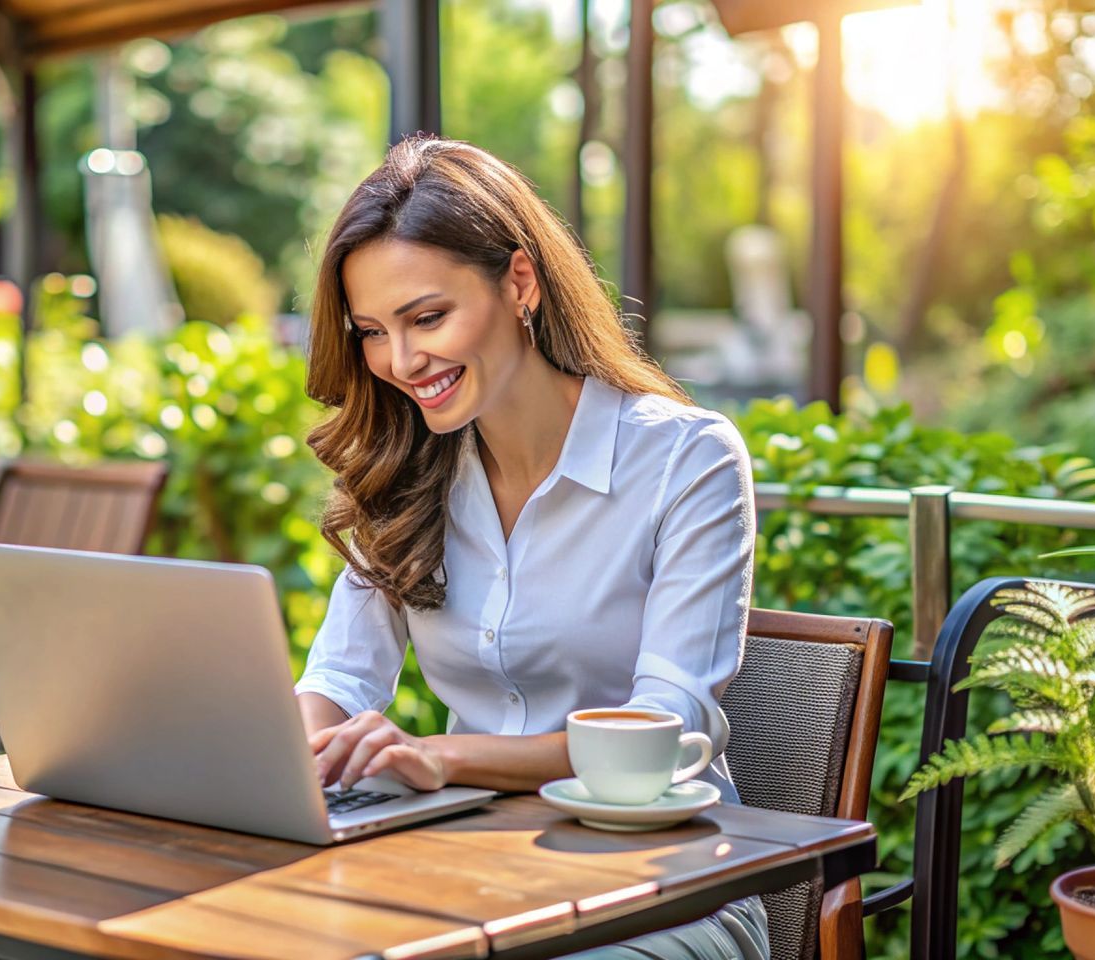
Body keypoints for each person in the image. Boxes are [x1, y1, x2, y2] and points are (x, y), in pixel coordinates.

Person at [292, 136, 769, 960]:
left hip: (662, 891)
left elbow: (660, 729)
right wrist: (286, 759)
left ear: (519, 282)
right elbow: (339, 677)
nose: (401, 362)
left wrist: (441, 757)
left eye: (427, 317)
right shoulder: (410, 468)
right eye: (373, 331)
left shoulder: (686, 459)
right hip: (468, 877)